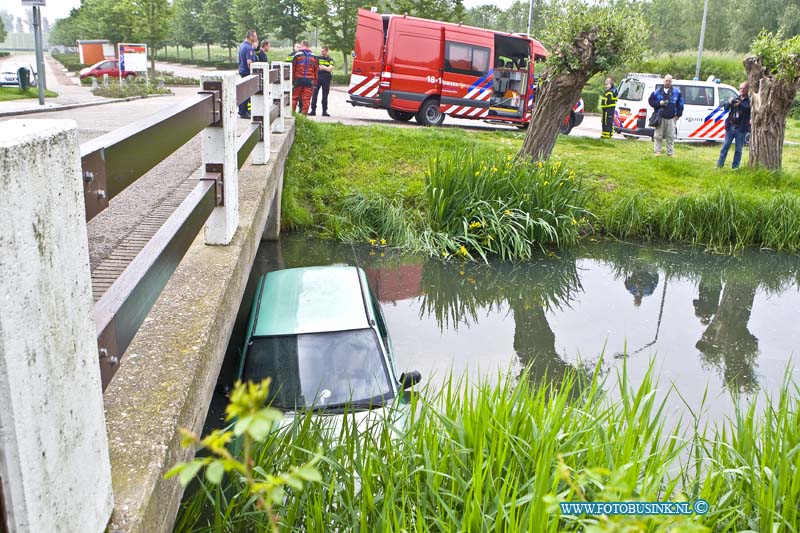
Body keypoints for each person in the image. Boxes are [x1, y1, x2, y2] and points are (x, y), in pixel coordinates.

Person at [716, 82, 751, 170]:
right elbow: (726, 107)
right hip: (731, 126)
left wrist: (740, 105)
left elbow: (748, 109)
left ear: (747, 89)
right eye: (740, 88)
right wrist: (729, 102)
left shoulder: (749, 101)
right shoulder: (736, 98)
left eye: (743, 88)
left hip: (741, 128)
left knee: (738, 150)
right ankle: (719, 165)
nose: (741, 90)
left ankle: (735, 168)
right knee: (725, 147)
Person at [648, 74, 684, 156]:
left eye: (669, 81)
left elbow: (680, 104)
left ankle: (670, 153)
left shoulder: (677, 92)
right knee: (658, 136)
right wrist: (658, 103)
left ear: (672, 82)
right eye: (666, 80)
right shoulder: (657, 92)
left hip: (671, 117)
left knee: (671, 136)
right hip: (660, 117)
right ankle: (657, 152)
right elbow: (650, 102)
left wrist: (678, 115)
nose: (668, 82)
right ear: (663, 81)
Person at [291, 40, 319, 115]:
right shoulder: (314, 57)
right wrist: (315, 83)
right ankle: (303, 118)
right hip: (309, 80)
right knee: (306, 100)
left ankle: (292, 115)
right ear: (308, 46)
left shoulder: (297, 55)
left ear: (302, 45)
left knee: (294, 98)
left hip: (298, 79)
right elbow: (316, 71)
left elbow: (293, 69)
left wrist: (292, 80)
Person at [237, 29, 258, 119]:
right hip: (247, 72)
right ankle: (244, 112)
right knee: (247, 93)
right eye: (255, 36)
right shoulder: (249, 47)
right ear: (250, 37)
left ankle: (241, 110)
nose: (256, 37)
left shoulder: (242, 45)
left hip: (242, 71)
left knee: (242, 92)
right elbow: (249, 62)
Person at [309, 46, 334, 116]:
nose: (321, 52)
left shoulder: (330, 59)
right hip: (317, 78)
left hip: (326, 79)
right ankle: (313, 110)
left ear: (326, 51)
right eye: (321, 51)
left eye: (323, 51)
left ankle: (324, 111)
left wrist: (323, 67)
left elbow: (330, 69)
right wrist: (326, 68)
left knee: (325, 95)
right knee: (314, 94)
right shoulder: (317, 58)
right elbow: (317, 67)